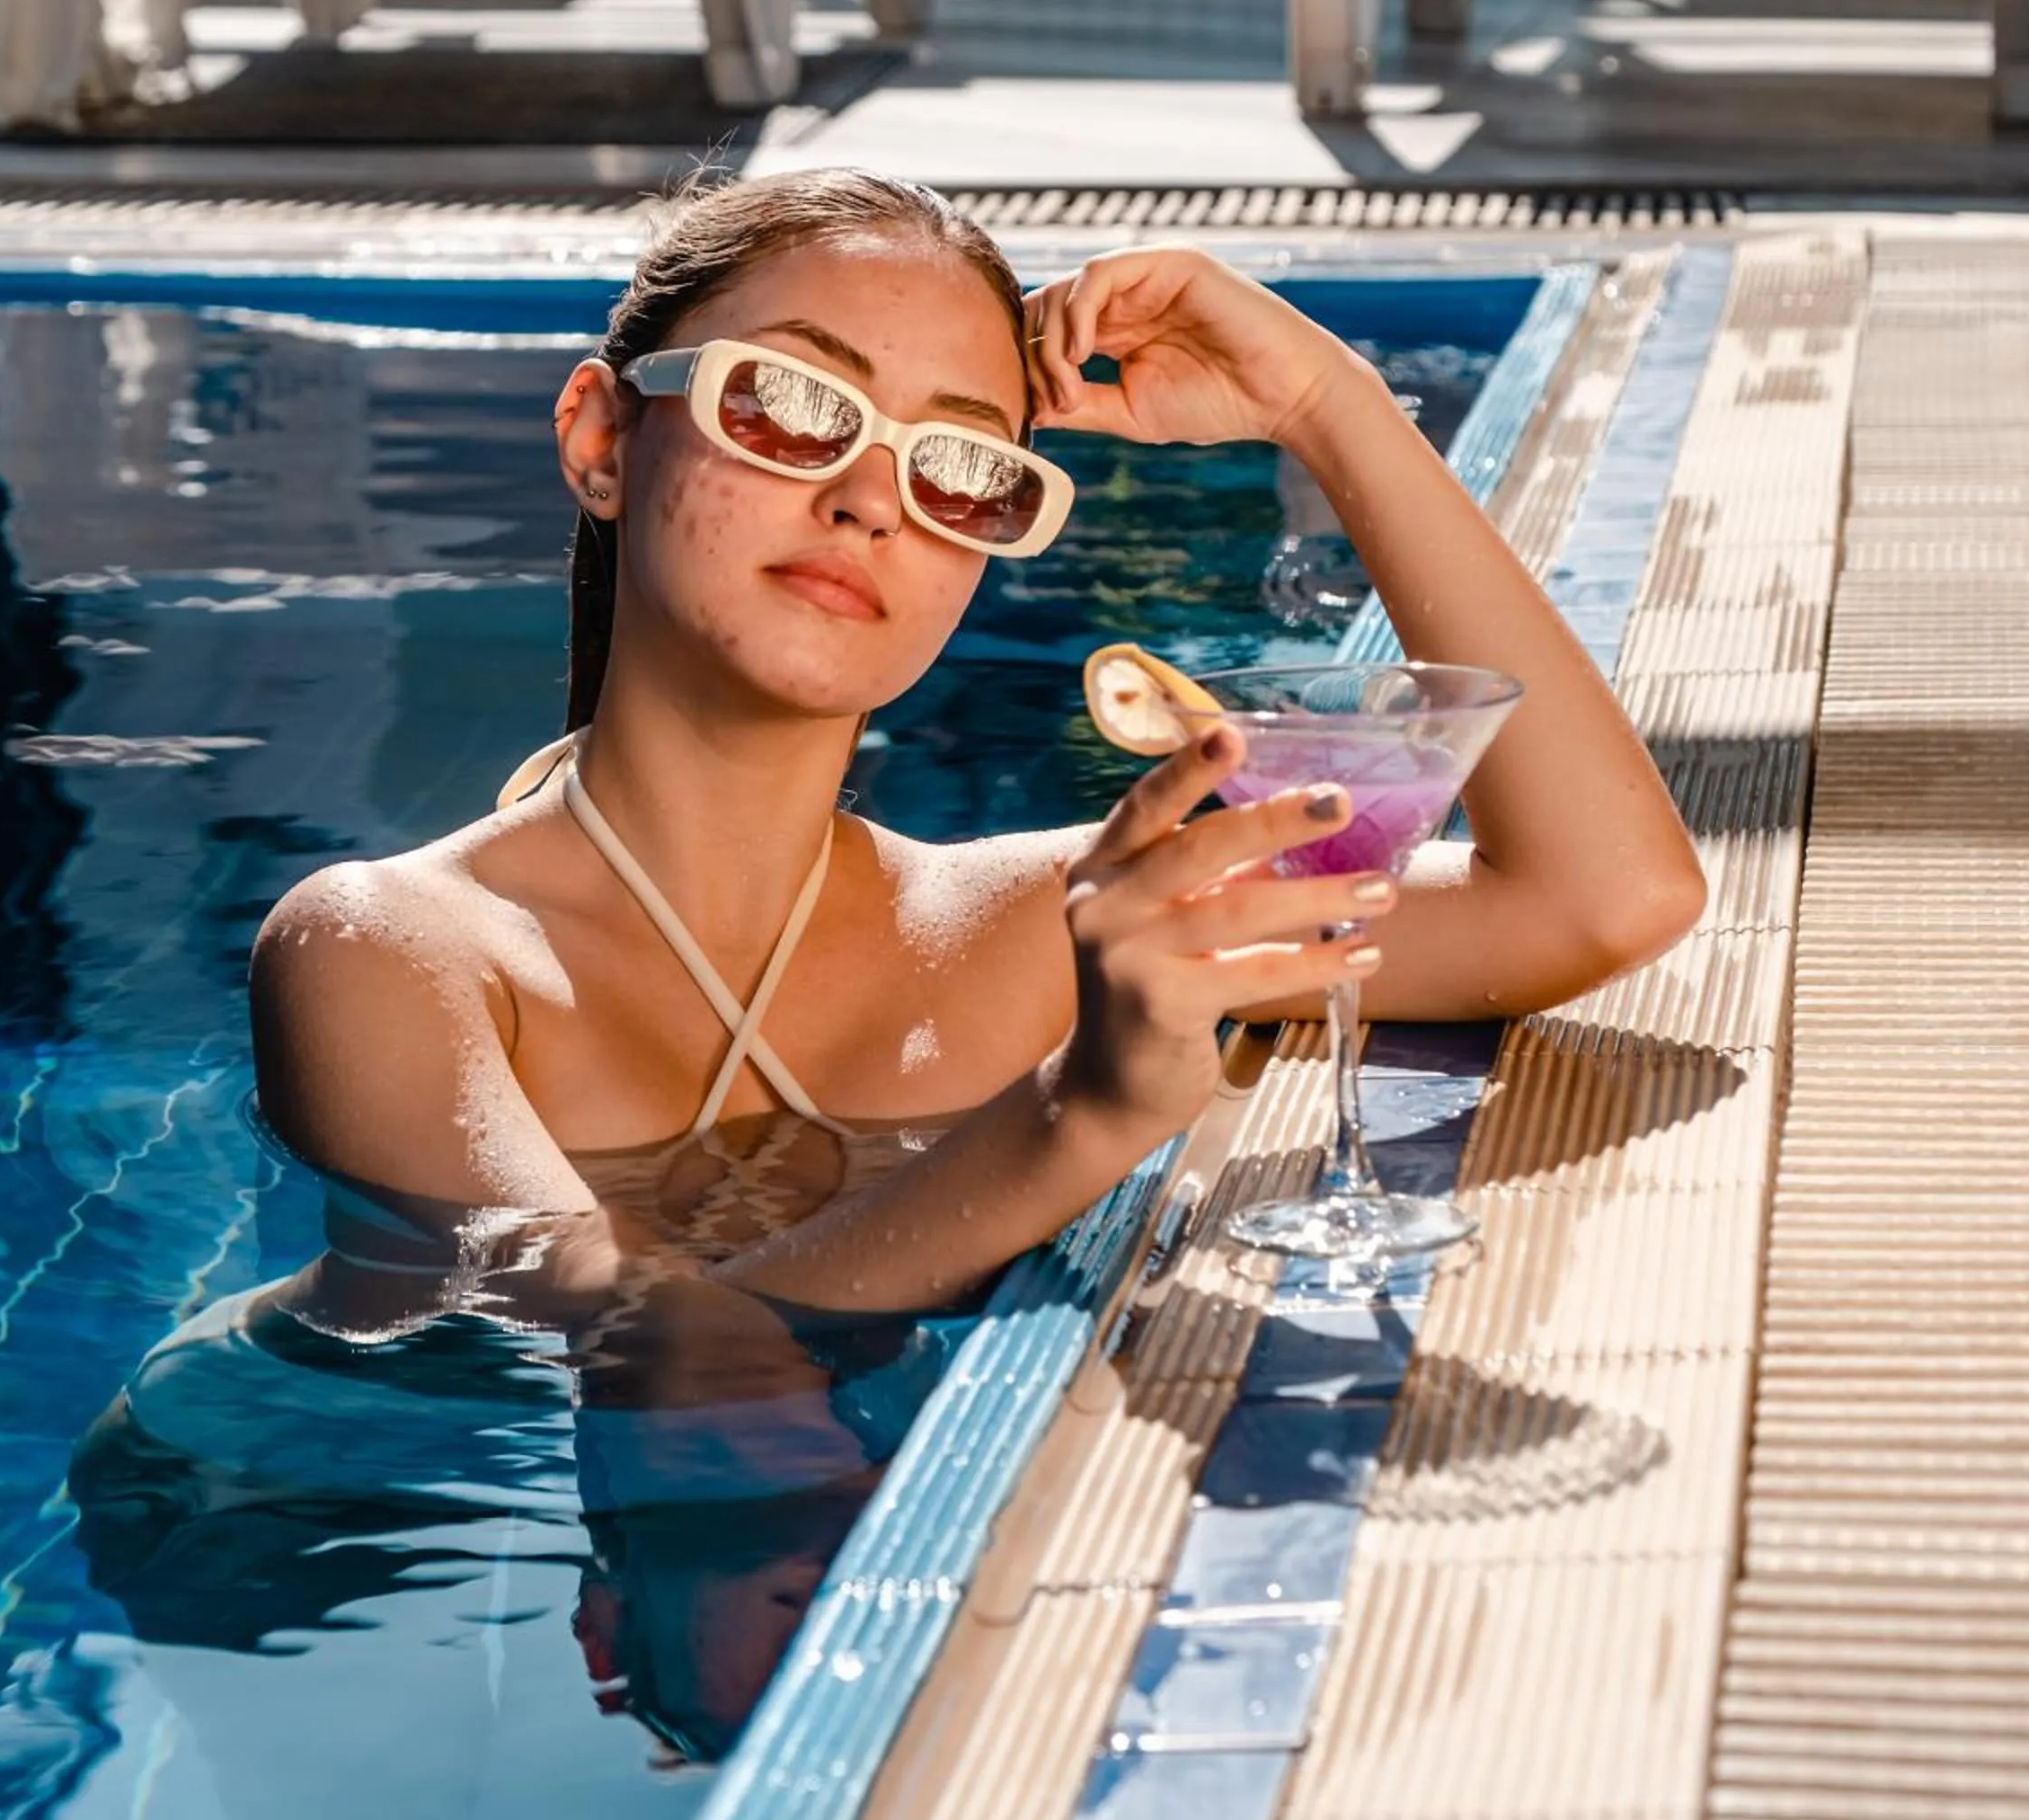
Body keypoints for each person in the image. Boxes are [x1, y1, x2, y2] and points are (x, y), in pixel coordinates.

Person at [249, 169, 1705, 1320]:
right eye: (791, 406)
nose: (872, 500)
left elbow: (1604, 895)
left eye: (958, 466)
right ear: (603, 441)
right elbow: (649, 1352)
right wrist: (1081, 1114)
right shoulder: (401, 955)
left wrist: (1326, 407)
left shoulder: (1027, 936)